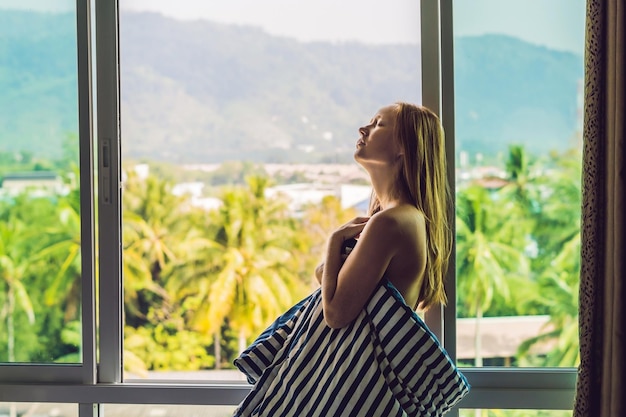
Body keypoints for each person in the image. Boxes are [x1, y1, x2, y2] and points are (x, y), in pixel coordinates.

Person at [233, 102, 469, 417]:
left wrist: (334, 240)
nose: (363, 129)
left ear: (404, 148)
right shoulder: (404, 218)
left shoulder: (389, 223)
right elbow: (330, 280)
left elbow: (336, 312)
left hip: (348, 388)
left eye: (378, 124)